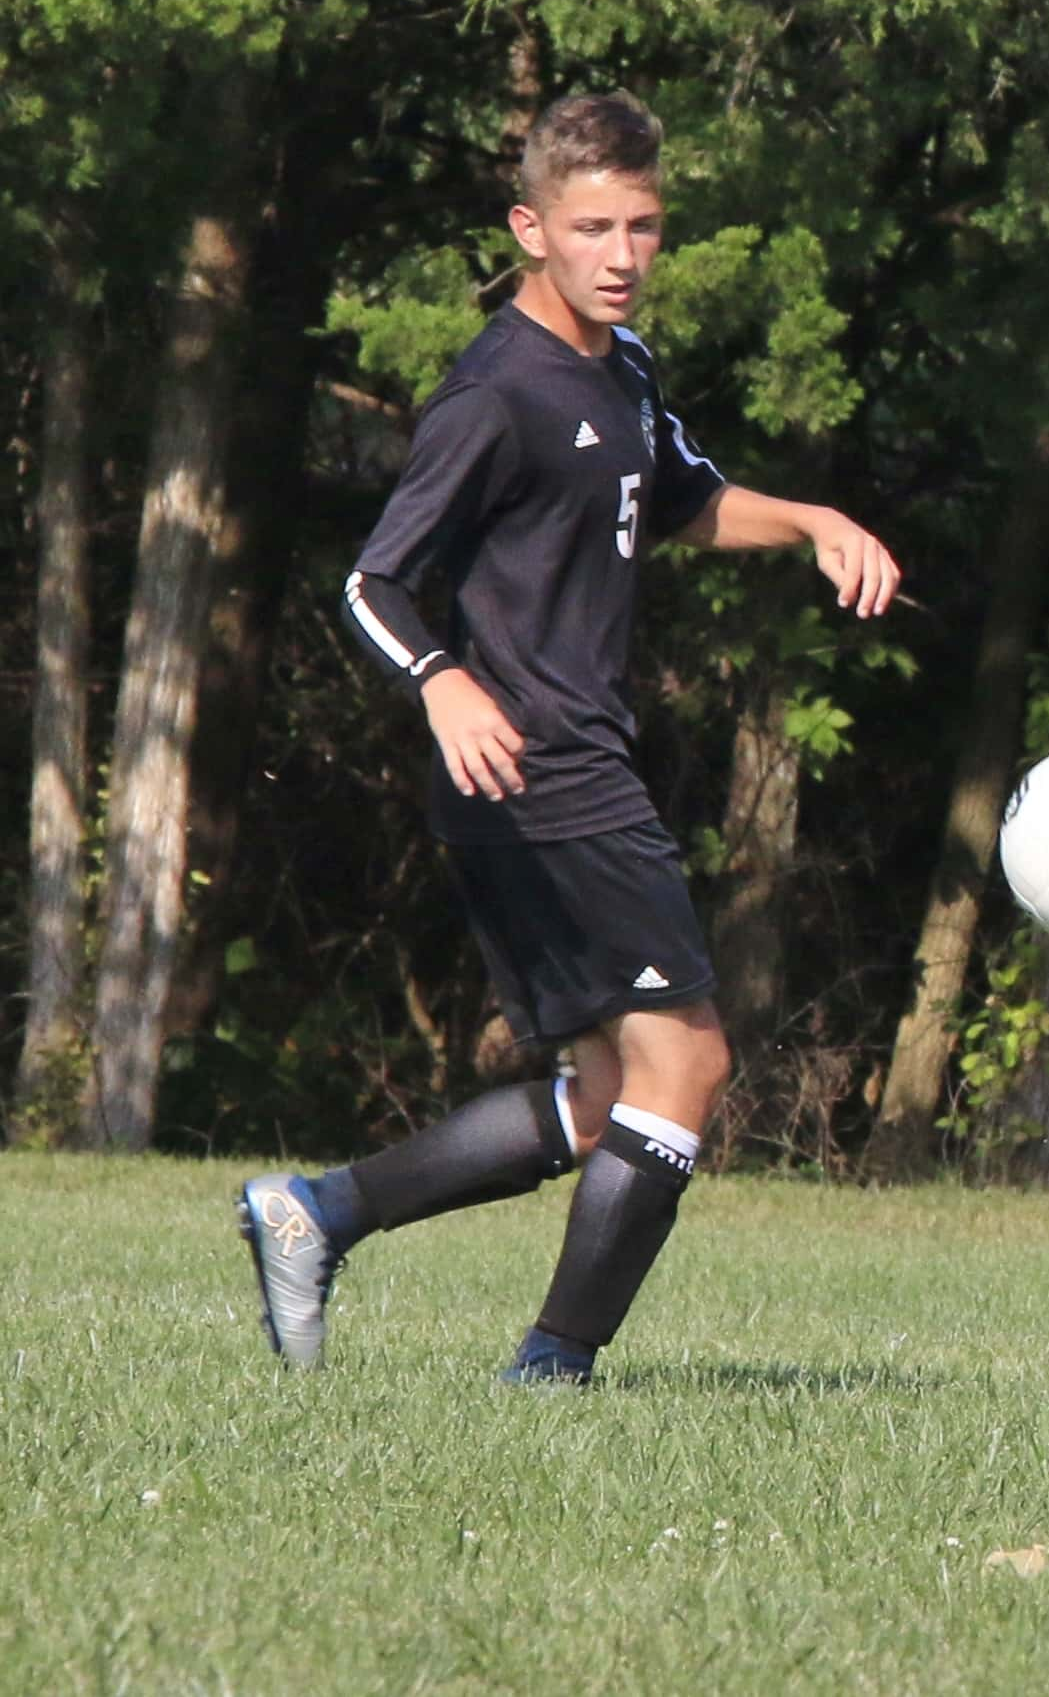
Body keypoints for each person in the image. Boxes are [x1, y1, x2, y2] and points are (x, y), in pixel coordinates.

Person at [237, 90, 902, 1388]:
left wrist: (815, 521)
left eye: (643, 227)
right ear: (529, 227)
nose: (620, 254)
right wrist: (442, 682)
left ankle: (319, 1212)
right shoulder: (494, 395)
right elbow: (375, 585)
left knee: (613, 1099)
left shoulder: (624, 366)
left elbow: (685, 502)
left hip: (577, 760)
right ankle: (554, 1370)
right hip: (539, 772)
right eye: (592, 228)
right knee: (689, 1059)